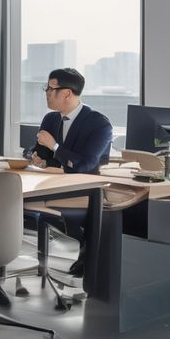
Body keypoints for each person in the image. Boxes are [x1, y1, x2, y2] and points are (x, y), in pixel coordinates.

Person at [31, 68, 112, 277]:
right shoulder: (51, 119)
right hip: (52, 186)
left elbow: (85, 165)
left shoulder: (99, 123)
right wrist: (36, 156)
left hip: (83, 192)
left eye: (51, 88)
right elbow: (40, 150)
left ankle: (89, 253)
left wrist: (55, 147)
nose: (47, 93)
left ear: (67, 93)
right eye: (46, 88)